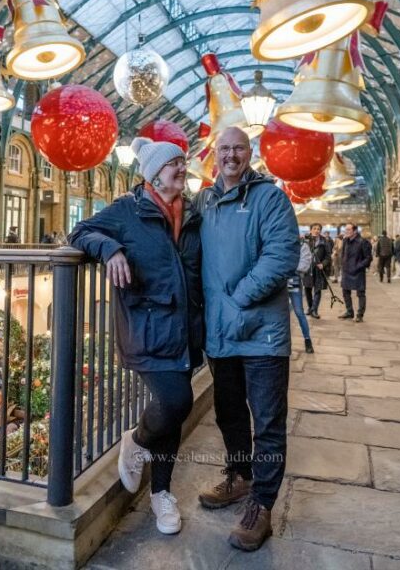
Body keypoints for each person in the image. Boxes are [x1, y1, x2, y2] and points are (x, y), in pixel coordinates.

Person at [69, 136, 204, 536]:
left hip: (185, 331)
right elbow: (79, 232)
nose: (182, 169)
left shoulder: (192, 213)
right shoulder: (128, 211)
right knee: (177, 400)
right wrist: (110, 249)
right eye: (173, 164)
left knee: (175, 411)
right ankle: (137, 441)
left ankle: (161, 494)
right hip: (147, 330)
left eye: (183, 163)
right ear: (153, 174)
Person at [194, 126, 299, 553]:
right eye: (224, 149)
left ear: (249, 152)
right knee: (229, 413)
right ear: (214, 155)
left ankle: (262, 503)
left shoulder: (270, 198)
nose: (231, 155)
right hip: (221, 333)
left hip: (261, 334)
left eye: (238, 148)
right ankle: (240, 478)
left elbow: (282, 254)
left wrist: (239, 298)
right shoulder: (204, 201)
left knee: (268, 421)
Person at [338, 222, 373, 322]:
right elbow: (343, 254)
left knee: (360, 293)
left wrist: (358, 266)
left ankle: (360, 315)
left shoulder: (363, 242)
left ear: (355, 231)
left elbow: (368, 258)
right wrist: (343, 264)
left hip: (357, 272)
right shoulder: (345, 240)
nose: (346, 231)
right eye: (346, 229)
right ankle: (349, 312)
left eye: (349, 230)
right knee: (345, 292)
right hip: (346, 271)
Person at [288, 238, 314, 353]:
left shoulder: (303, 245)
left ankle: (307, 340)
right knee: (280, 314)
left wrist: (285, 267)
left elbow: (303, 265)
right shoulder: (279, 241)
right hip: (278, 283)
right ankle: (283, 342)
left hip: (293, 282)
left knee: (299, 312)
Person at [303, 224, 330, 319]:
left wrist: (323, 264)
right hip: (307, 269)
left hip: (319, 269)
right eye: (314, 229)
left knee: (317, 289)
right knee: (307, 289)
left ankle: (314, 310)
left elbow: (328, 256)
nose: (316, 230)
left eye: (318, 229)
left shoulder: (324, 241)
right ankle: (310, 307)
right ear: (310, 230)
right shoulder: (306, 240)